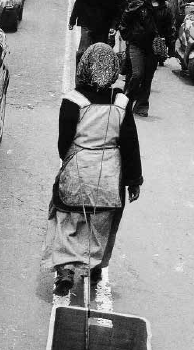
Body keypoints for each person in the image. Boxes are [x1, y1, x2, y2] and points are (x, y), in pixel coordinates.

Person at [42, 43, 143, 296]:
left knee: (67, 220)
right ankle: (95, 266)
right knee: (101, 225)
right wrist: (134, 181)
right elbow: (130, 145)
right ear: (113, 70)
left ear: (84, 67)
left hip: (78, 171)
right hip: (110, 178)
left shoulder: (73, 100)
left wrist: (71, 161)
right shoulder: (122, 102)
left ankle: (65, 269)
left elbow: (63, 143)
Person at [119, 0, 175, 117]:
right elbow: (125, 19)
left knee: (148, 77)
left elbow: (169, 28)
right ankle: (126, 102)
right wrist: (128, 36)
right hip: (136, 44)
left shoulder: (166, 7)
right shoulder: (138, 3)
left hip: (153, 48)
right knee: (137, 74)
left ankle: (142, 106)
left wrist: (170, 45)